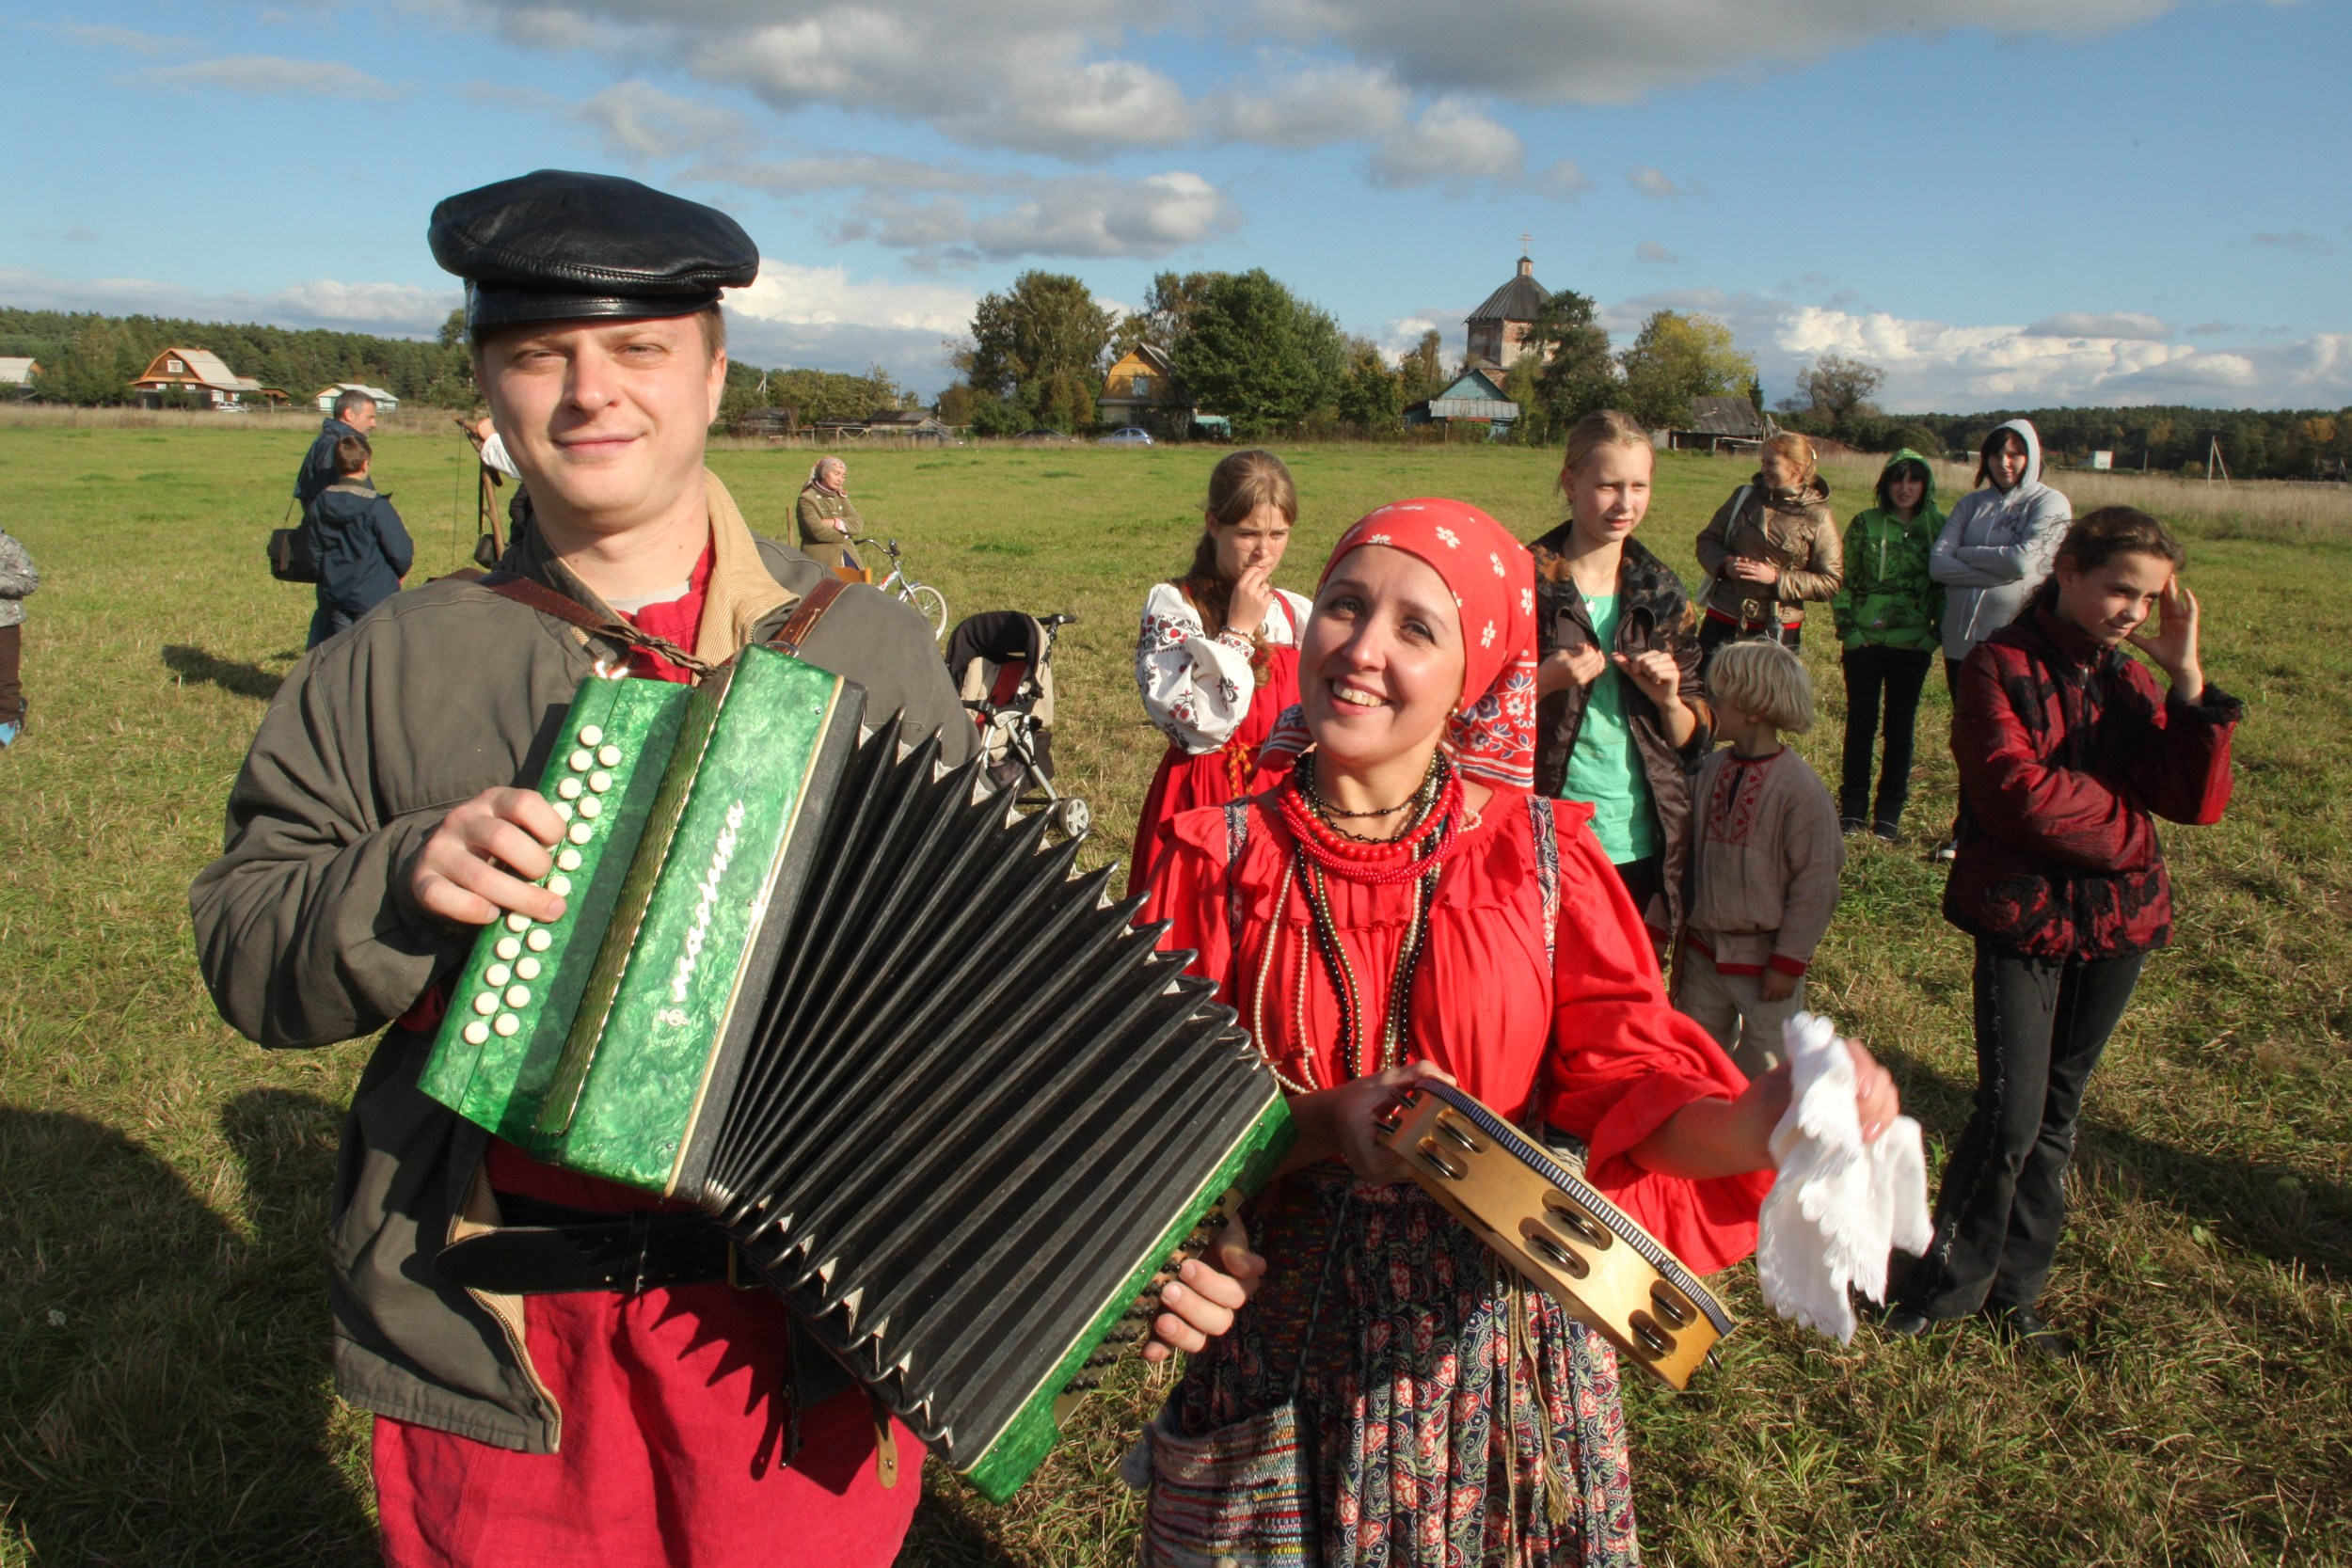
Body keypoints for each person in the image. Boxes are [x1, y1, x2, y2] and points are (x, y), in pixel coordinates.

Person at [187, 169, 1247, 1568]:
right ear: (489, 392)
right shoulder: (397, 656)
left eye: (637, 350)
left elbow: (977, 997)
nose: (589, 394)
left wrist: (1130, 1227)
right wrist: (399, 880)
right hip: (512, 1357)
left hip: (797, 1358)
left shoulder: (860, 644)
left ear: (713, 370)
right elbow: (245, 939)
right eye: (537, 356)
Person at [1139, 498, 1900, 1566]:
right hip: (1277, 1341)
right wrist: (1222, 1224)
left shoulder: (1538, 863)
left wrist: (1759, 1118)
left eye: (1416, 628)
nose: (1360, 648)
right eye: (1344, 606)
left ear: (1476, 671)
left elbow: (1635, 1089)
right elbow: (1147, 1131)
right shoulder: (1208, 855)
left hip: (1492, 1352)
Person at [1888, 507, 2238, 1357]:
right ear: (2069, 570)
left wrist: (2187, 683)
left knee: (2059, 1112)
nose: (2132, 611)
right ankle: (1944, 1287)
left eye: (2148, 599)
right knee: (2011, 1112)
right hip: (2023, 915)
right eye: (2120, 589)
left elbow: (2194, 800)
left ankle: (2018, 1291)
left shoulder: (2131, 681)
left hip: (2118, 925)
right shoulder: (1998, 667)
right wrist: (2130, 830)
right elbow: (2014, 792)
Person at [1530, 409, 1710, 952]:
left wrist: (1671, 699)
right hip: (1545, 831)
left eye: (1638, 486)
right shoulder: (1523, 582)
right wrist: (1542, 681)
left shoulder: (1663, 593)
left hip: (1639, 837)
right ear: (1570, 482)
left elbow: (1696, 736)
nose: (1625, 503)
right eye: (1608, 485)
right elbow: (1472, 713)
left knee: (1624, 999)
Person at [1127, 449, 1310, 897]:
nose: (1264, 551)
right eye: (1248, 534)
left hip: (1282, 801)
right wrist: (1238, 631)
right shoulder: (1177, 605)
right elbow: (1198, 727)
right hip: (1204, 798)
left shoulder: (1293, 611)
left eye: (1278, 533)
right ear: (1214, 525)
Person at [1675, 640, 1845, 1078]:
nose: (1709, 704)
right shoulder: (1709, 770)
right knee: (1694, 1061)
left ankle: (1759, 1145)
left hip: (1766, 965)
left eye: (1718, 696)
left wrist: (1788, 962)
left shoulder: (1800, 790)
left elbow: (1817, 884)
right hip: (1703, 955)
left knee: (1768, 1072)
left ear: (1755, 707)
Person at [1927, 419, 2071, 860]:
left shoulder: (2051, 504)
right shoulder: (1971, 504)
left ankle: (2018, 831)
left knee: (2014, 742)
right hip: (1961, 643)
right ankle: (1966, 833)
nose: (2004, 463)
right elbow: (1936, 564)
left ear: (2032, 456)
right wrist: (1995, 562)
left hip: (2015, 644)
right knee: (1971, 740)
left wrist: (1965, 557)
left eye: (2014, 453)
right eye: (1995, 454)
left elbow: (2026, 565)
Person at [1832, 449, 1947, 841]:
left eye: (1914, 479)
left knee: (1901, 728)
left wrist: (1933, 637)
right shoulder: (1865, 524)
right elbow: (1844, 580)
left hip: (1912, 645)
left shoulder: (1941, 527)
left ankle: (1889, 814)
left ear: (1925, 484)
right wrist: (1850, 632)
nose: (1905, 487)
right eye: (1897, 479)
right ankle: (1852, 810)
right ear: (1886, 484)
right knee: (1861, 724)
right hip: (1864, 642)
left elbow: (1945, 588)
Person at [1693, 431, 1842, 668]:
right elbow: (1707, 541)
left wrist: (1776, 578)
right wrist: (1725, 564)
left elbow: (1831, 581)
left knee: (1764, 702)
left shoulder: (1818, 516)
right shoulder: (1744, 497)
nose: (1763, 469)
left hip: (1777, 627)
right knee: (1706, 692)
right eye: (1762, 461)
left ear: (1797, 468)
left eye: (1771, 463)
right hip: (1724, 615)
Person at [306, 435, 414, 647]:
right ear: (365, 464)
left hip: (336, 591)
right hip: (375, 592)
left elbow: (314, 549)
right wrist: (399, 573)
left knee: (342, 651)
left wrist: (326, 576)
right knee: (376, 652)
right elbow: (401, 550)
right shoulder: (375, 505)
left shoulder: (319, 502)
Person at [299, 388, 378, 528]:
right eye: (370, 417)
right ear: (349, 414)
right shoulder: (335, 445)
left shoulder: (334, 440)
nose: (374, 424)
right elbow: (330, 498)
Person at [0, 521, 36, 747]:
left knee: (4, 676)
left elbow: (29, 581)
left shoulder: (8, 546)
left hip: (4, 624)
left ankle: (8, 719)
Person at [796, 457, 864, 573]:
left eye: (843, 476)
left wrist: (835, 523)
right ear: (823, 473)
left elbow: (858, 524)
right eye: (836, 473)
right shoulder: (807, 499)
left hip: (849, 556)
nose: (840, 479)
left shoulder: (841, 497)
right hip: (821, 560)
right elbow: (817, 531)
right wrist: (845, 535)